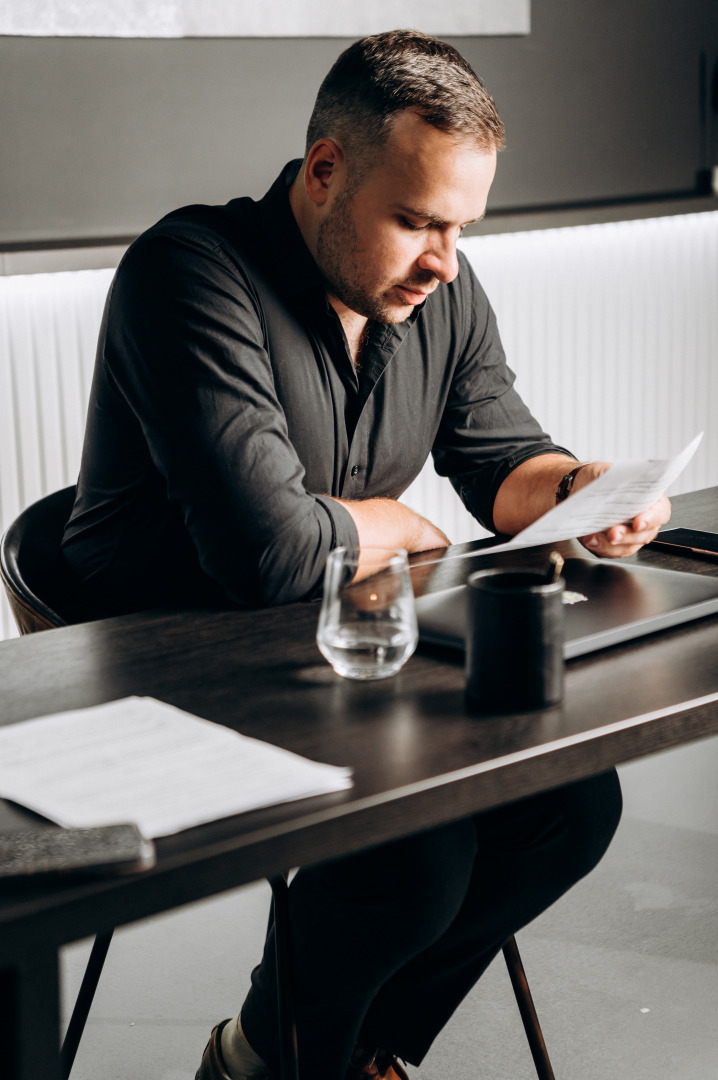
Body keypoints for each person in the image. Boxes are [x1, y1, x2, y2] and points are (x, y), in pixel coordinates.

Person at [62, 29, 670, 1080]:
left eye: (460, 227)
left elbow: (499, 456)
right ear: (324, 171)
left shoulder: (438, 284)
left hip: (340, 649)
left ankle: (332, 1053)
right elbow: (271, 557)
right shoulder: (188, 269)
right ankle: (270, 1064)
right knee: (415, 854)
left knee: (570, 809)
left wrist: (579, 491)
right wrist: (388, 519)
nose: (442, 260)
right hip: (166, 666)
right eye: (416, 220)